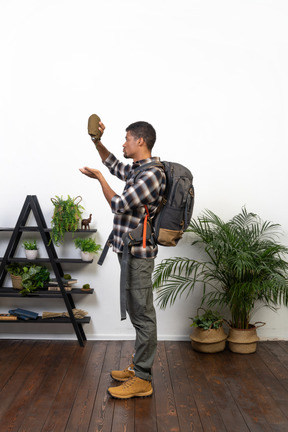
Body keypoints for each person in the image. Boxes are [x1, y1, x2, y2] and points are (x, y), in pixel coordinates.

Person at [80, 120, 166, 399]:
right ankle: (139, 368)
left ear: (141, 141)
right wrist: (96, 141)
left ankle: (142, 378)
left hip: (138, 255)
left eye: (127, 138)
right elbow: (115, 164)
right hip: (128, 251)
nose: (123, 143)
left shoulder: (151, 175)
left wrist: (100, 181)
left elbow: (118, 204)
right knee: (137, 311)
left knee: (142, 315)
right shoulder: (139, 169)